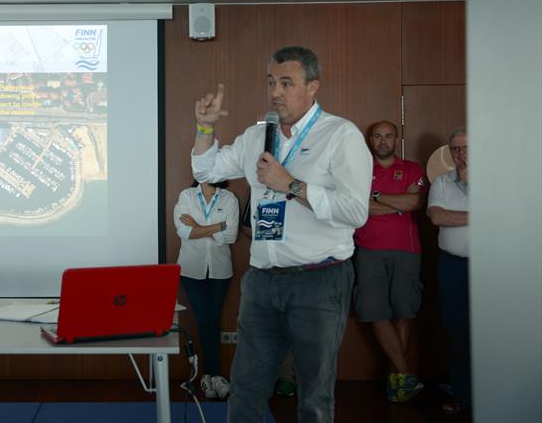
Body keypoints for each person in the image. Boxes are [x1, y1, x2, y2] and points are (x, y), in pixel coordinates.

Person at [191, 46, 371, 423]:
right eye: (272, 82)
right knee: (245, 391)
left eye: (287, 83)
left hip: (319, 280)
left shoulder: (341, 135)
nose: (275, 91)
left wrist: (292, 186)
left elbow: (355, 212)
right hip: (261, 282)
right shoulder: (258, 135)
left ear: (312, 87)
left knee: (313, 397)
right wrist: (205, 128)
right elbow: (206, 170)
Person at [353, 120, 426, 402]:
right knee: (376, 312)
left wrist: (376, 197)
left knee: (403, 311)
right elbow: (357, 209)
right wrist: (396, 203)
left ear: (397, 139)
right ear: (370, 140)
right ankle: (405, 373)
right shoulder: (358, 170)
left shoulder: (412, 168)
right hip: (367, 249)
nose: (383, 141)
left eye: (388, 136)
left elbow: (414, 203)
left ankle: (398, 378)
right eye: (377, 136)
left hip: (406, 250)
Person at [174, 179, 239, 399]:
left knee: (213, 318)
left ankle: (208, 377)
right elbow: (184, 231)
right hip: (191, 270)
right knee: (205, 319)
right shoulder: (187, 196)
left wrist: (198, 226)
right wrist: (219, 226)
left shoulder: (229, 199)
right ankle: (214, 375)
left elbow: (231, 236)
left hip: (220, 271)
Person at [427, 128, 470, 415]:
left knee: (495, 331)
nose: (460, 154)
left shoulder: (500, 181)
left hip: (494, 267)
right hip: (453, 267)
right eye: (455, 149)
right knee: (457, 331)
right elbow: (437, 216)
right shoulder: (441, 182)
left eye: (466, 148)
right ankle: (462, 394)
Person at [241, 192, 297, 398]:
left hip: (302, 271)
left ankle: (287, 378)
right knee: (263, 328)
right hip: (266, 270)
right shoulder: (260, 187)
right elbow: (247, 226)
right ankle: (264, 379)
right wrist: (272, 235)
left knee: (295, 328)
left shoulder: (307, 183)